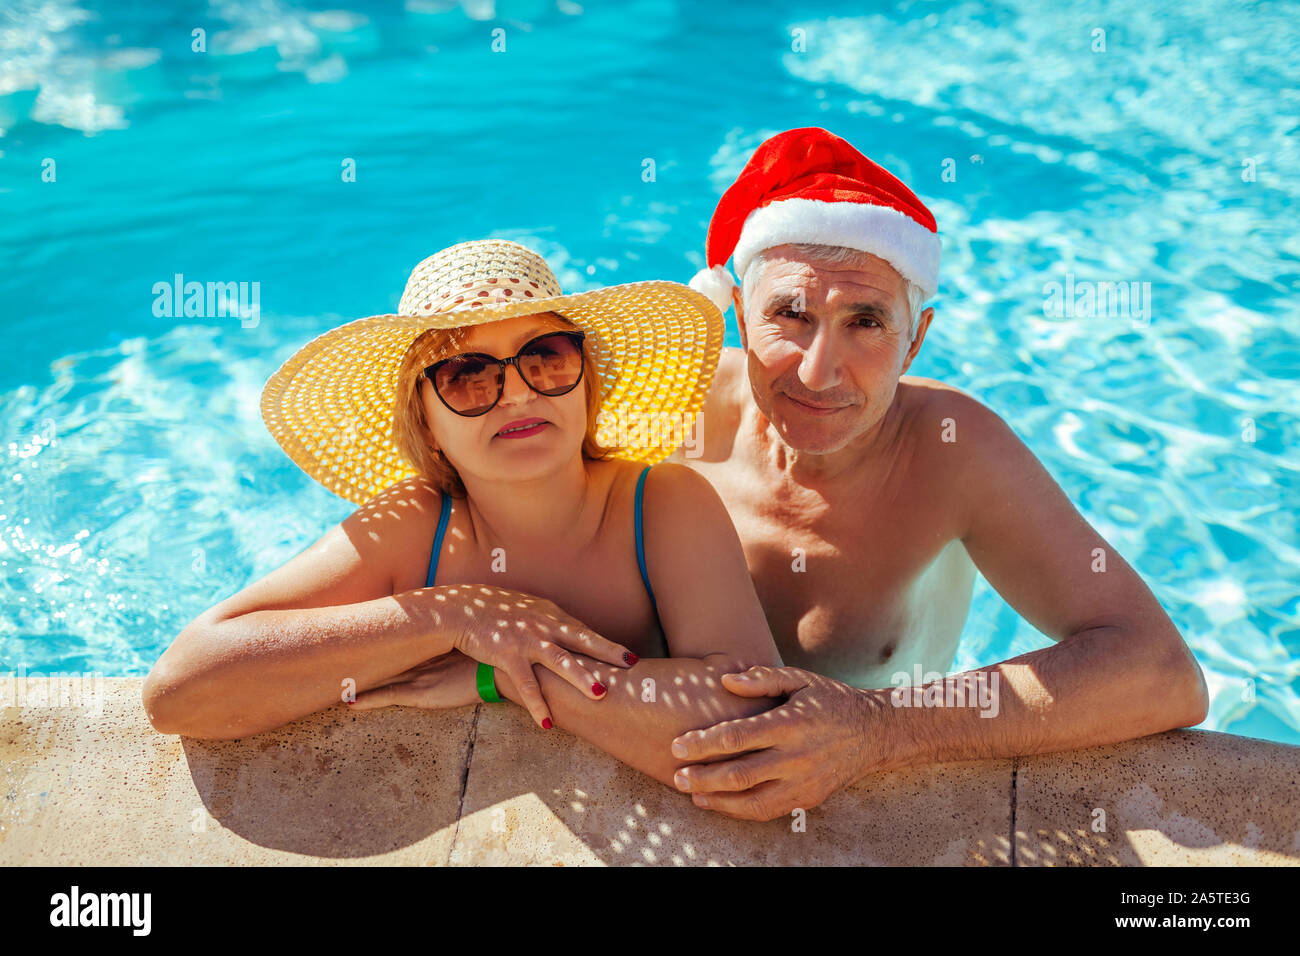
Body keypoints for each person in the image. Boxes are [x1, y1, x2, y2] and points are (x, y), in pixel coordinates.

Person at [660, 127, 1209, 819]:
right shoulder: (671, 409)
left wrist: (878, 729)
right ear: (738, 317)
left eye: (865, 322)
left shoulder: (954, 451)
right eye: (790, 315)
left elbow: (1160, 673)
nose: (817, 370)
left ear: (915, 341)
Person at [142, 239, 783, 789]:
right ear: (426, 421)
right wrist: (453, 614)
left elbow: (759, 721)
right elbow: (181, 690)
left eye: (546, 357)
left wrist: (502, 673)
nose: (518, 393)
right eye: (468, 376)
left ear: (588, 382)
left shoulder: (660, 504)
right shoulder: (418, 527)